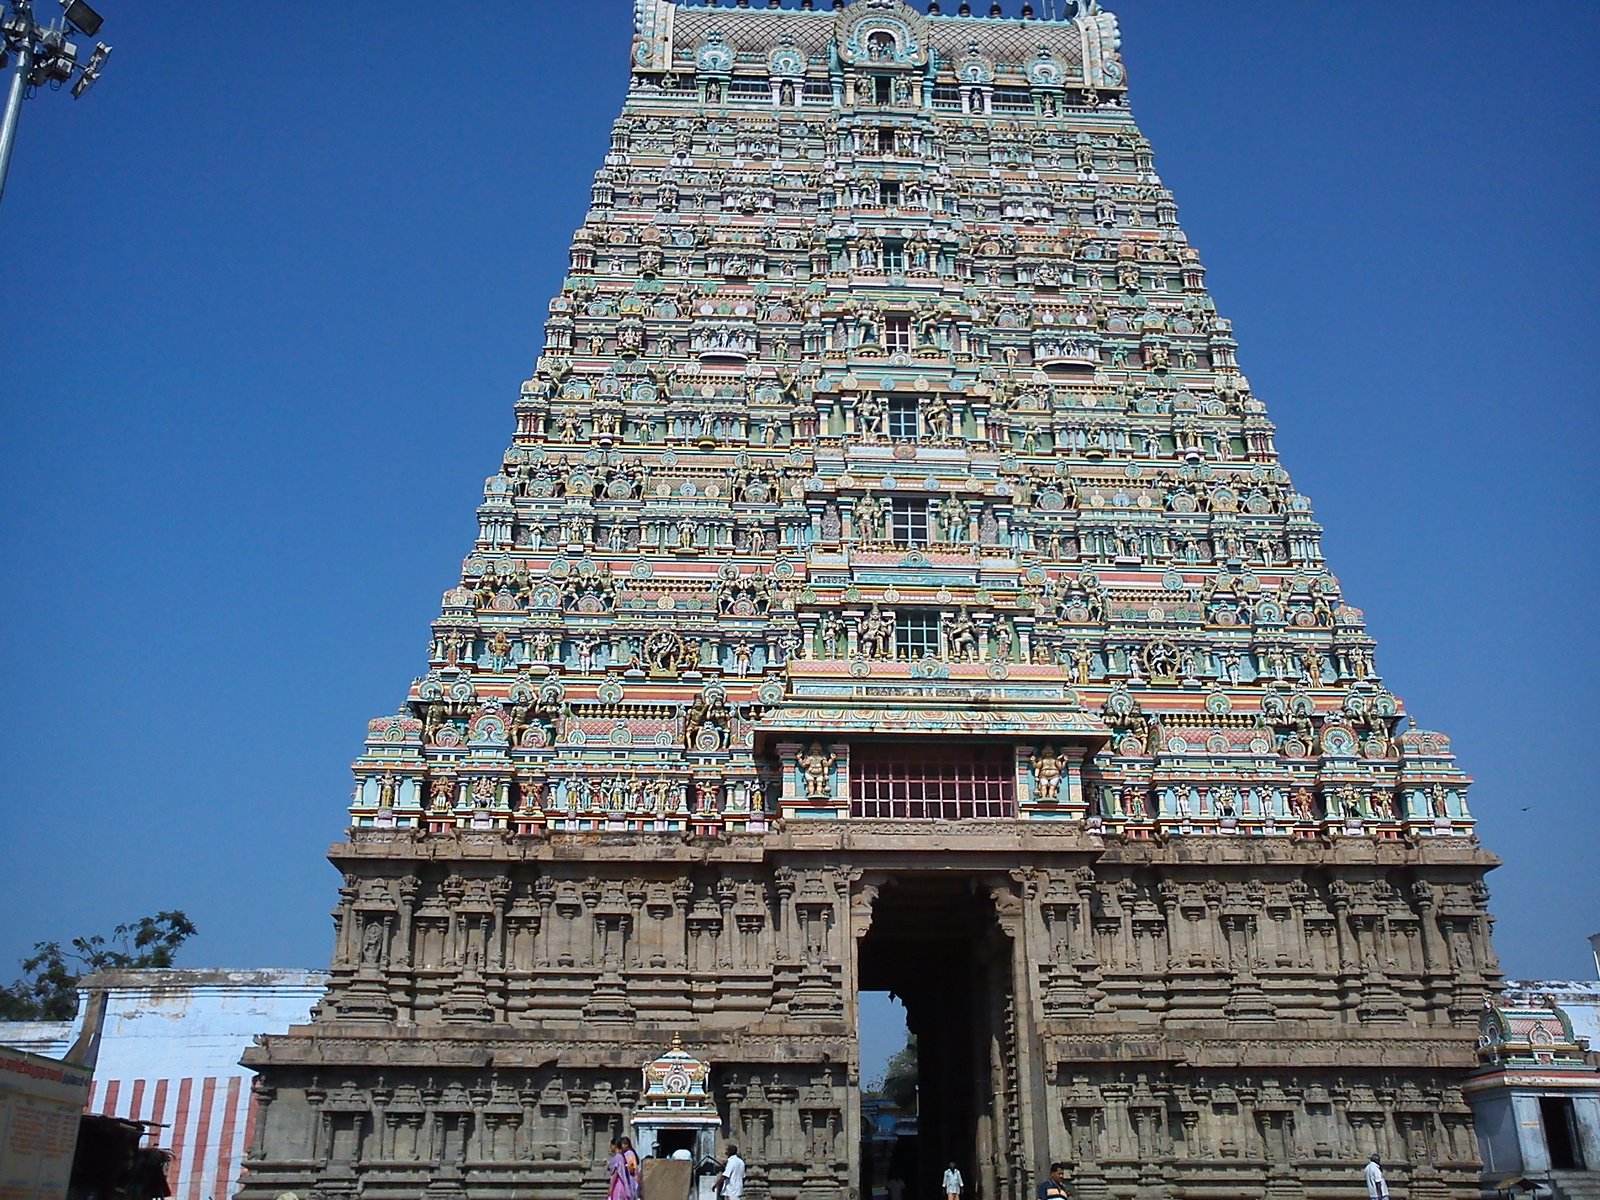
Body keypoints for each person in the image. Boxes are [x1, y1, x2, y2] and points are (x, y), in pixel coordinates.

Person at [619, 1136, 641, 1200]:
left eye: (622, 1144)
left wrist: (625, 1166)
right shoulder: (628, 1153)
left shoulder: (629, 1153)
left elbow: (632, 1168)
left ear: (626, 1144)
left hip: (631, 1178)